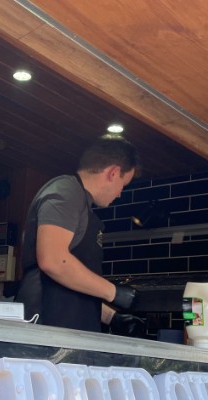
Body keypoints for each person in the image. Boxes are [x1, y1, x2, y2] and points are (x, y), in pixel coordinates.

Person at [15, 133, 144, 334]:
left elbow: (69, 286)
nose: (120, 193)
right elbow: (53, 261)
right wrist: (113, 292)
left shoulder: (80, 202)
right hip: (45, 329)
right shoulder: (66, 192)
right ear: (113, 172)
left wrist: (112, 317)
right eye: (123, 185)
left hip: (66, 329)